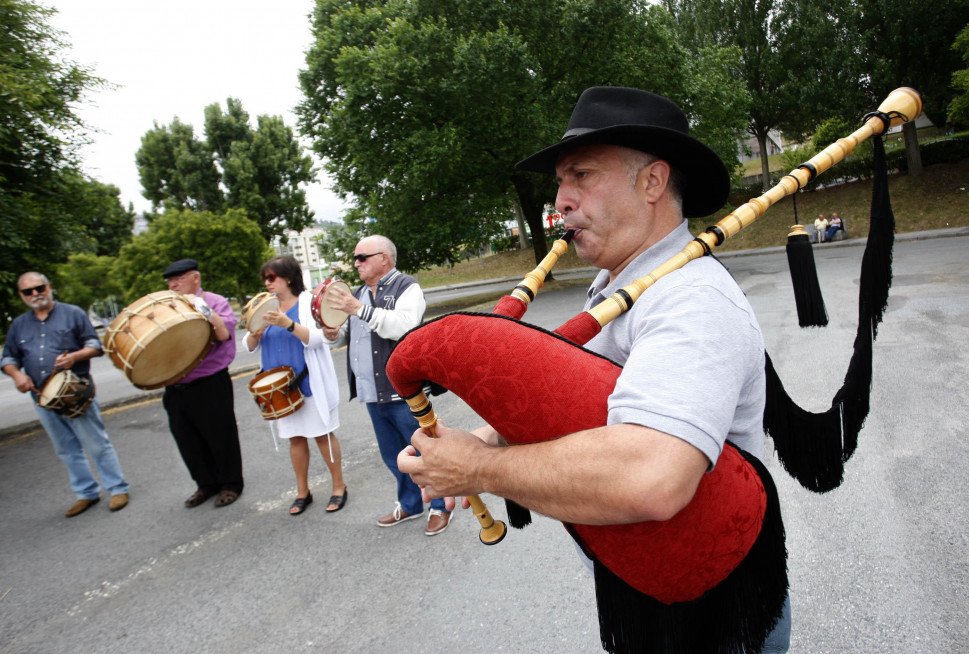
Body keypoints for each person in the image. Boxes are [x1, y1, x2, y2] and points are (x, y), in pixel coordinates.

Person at [396, 87, 790, 650]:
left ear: (653, 183)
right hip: (644, 593)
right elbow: (587, 403)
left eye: (581, 175)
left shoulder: (691, 300)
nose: (561, 201)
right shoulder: (616, 287)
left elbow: (652, 478)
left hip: (709, 617)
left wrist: (480, 469)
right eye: (561, 183)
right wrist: (479, 440)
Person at [322, 235, 452, 537]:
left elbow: (404, 325)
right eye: (355, 258)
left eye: (362, 257)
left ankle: (440, 507)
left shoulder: (407, 286)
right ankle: (410, 504)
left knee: (425, 453)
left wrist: (359, 310)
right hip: (371, 392)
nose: (356, 263)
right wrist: (331, 333)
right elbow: (344, 335)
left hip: (404, 392)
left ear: (384, 258)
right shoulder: (356, 293)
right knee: (393, 455)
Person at [2, 272, 130, 517]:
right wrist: (17, 375)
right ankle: (86, 493)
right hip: (42, 396)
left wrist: (74, 356)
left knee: (96, 443)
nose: (35, 294)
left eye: (39, 288)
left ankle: (117, 488)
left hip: (75, 390)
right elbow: (8, 357)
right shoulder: (19, 324)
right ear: (21, 295)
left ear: (49, 287)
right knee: (65, 448)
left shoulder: (72, 313)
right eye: (28, 291)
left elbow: (94, 345)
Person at [244, 256, 347, 516]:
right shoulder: (264, 306)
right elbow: (248, 345)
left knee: (322, 436)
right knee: (296, 439)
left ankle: (339, 486)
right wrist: (255, 334)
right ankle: (303, 491)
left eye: (272, 277)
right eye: (265, 278)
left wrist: (287, 324)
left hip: (306, 383)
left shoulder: (307, 303)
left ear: (288, 277)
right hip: (279, 390)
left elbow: (318, 339)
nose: (267, 283)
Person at [162, 259, 244, 509]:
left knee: (220, 435)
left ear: (195, 278)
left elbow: (222, 334)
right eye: (170, 281)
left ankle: (231, 484)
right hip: (176, 386)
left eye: (178, 279)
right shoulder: (166, 306)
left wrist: (200, 307)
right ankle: (205, 484)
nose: (172, 284)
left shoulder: (214, 301)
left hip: (209, 382)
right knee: (187, 439)